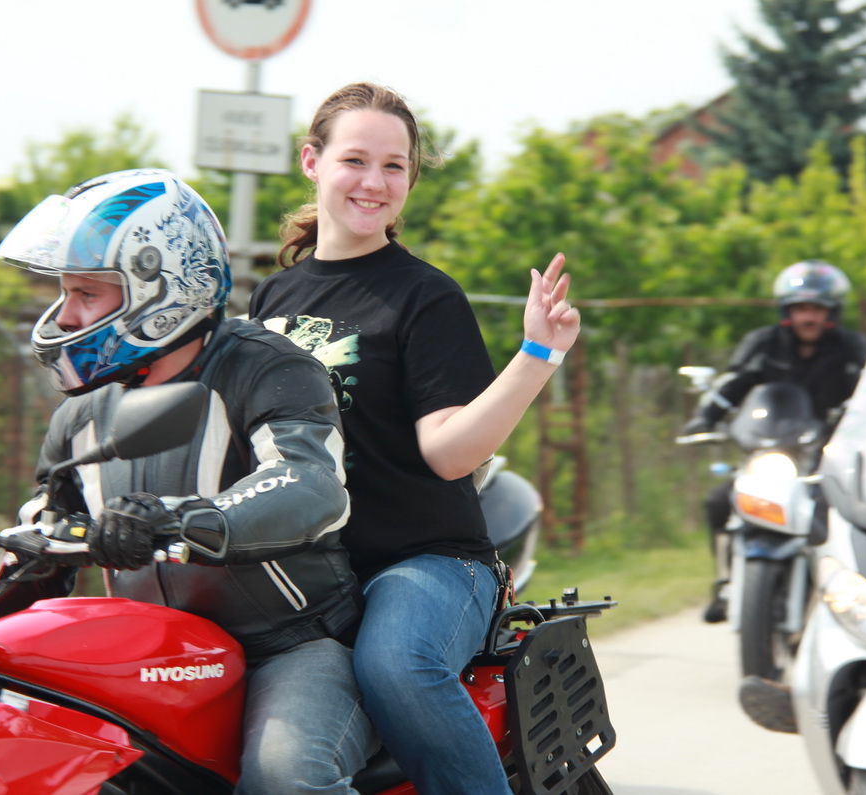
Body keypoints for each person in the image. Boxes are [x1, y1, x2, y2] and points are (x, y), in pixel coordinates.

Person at [0, 169, 379, 794]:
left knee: (285, 777)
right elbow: (48, 525)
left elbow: (309, 483)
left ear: (161, 287)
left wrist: (175, 519)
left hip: (288, 645)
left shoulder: (267, 368)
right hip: (155, 655)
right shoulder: (80, 414)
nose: (65, 315)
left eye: (87, 293)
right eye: (64, 292)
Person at [249, 82, 580, 795]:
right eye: (355, 160)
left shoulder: (425, 295)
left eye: (394, 166)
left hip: (425, 560)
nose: (374, 182)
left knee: (395, 665)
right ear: (312, 161)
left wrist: (537, 355)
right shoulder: (272, 298)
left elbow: (450, 453)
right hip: (302, 574)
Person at [678, 259, 866, 622]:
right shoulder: (763, 343)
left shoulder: (850, 347)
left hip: (825, 454)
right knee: (719, 500)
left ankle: (846, 590)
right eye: (801, 308)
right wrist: (705, 417)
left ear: (832, 312)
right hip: (769, 449)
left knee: (843, 509)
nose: (808, 317)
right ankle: (724, 582)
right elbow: (733, 383)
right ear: (787, 311)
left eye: (817, 309)